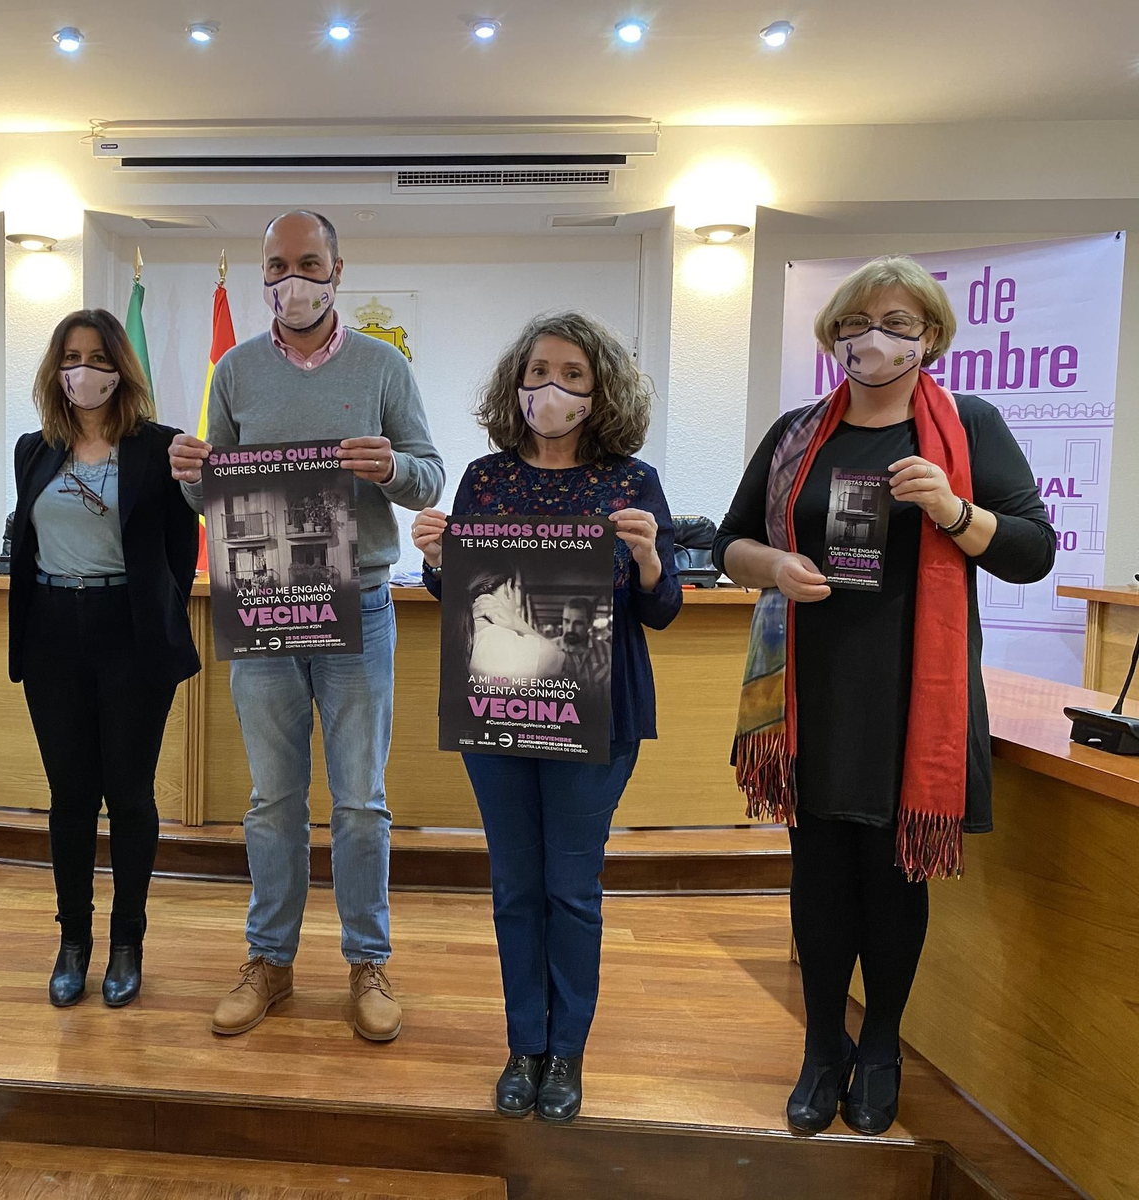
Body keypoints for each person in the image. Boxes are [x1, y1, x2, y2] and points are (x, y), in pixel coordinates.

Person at [713, 256, 1055, 1136]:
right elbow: (729, 542)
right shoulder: (799, 434)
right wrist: (776, 566)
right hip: (811, 694)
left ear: (931, 337)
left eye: (900, 322)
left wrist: (952, 509)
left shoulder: (969, 426)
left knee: (895, 882)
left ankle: (883, 1046)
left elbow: (1030, 551)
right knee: (820, 879)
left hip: (915, 697)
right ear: (833, 335)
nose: (877, 337)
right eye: (861, 321)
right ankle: (822, 1047)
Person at [170, 210, 444, 1042]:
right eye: (278, 266)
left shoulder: (383, 365)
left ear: (337, 269)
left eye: (309, 263)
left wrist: (390, 467)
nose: (293, 280)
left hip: (356, 602)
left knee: (360, 800)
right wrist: (191, 476)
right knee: (271, 800)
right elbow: (214, 498)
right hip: (263, 603)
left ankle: (367, 961)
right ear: (263, 275)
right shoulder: (236, 370)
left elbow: (429, 479)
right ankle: (271, 960)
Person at [412, 310, 680, 1122]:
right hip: (500, 705)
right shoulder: (484, 478)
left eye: (569, 374)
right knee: (513, 886)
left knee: (571, 887)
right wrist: (436, 560)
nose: (549, 389)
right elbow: (459, 599)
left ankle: (568, 1053)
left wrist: (646, 558)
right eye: (536, 373)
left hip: (595, 714)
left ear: (600, 389)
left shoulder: (632, 481)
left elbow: (662, 608)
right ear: (515, 384)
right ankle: (522, 1044)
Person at [8, 309, 200, 1009]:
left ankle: (127, 943)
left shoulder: (161, 447)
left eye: (95, 356)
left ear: (120, 368)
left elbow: (182, 551)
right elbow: (23, 543)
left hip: (131, 634)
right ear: (55, 371)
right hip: (53, 629)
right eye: (70, 357)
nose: (82, 370)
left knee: (130, 794)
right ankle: (72, 942)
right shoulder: (35, 449)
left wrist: (151, 610)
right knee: (69, 798)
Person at [553, 596, 610, 694]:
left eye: (578, 623)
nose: (570, 629)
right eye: (566, 621)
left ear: (590, 623)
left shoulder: (608, 651)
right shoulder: (549, 651)